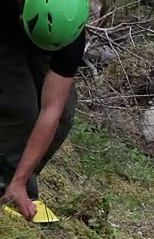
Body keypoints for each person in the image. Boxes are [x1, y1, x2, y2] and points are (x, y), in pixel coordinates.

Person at [0, 0, 89, 221]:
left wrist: (21, 180)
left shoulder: (70, 32)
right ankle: (3, 181)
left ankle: (19, 183)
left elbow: (52, 110)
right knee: (22, 109)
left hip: (43, 38)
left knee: (64, 115)